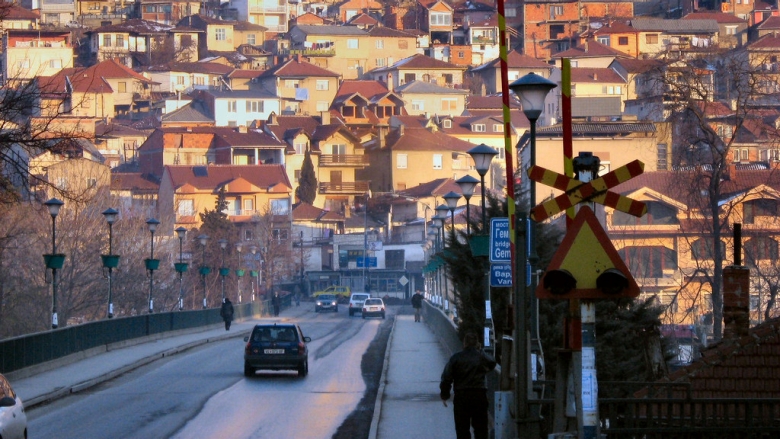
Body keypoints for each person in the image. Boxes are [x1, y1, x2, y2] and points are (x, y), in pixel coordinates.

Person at [440, 332, 497, 439]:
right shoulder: (481, 357)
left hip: (461, 397)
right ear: (477, 344)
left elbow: (446, 378)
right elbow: (492, 363)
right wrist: (480, 351)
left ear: (464, 343)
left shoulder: (456, 358)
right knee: (481, 429)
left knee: (462, 429)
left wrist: (444, 395)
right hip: (479, 396)